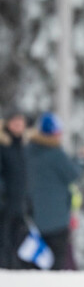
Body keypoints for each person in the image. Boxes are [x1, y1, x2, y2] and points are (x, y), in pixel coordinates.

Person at [25, 113, 84, 270]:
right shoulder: (56, 153)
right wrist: (80, 160)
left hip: (34, 217)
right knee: (57, 262)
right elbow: (72, 174)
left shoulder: (29, 150)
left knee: (36, 261)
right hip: (57, 218)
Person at [0, 108, 30, 268]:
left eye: (21, 123)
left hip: (19, 204)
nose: (18, 126)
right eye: (15, 123)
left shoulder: (22, 148)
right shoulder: (3, 146)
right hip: (5, 205)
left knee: (17, 242)